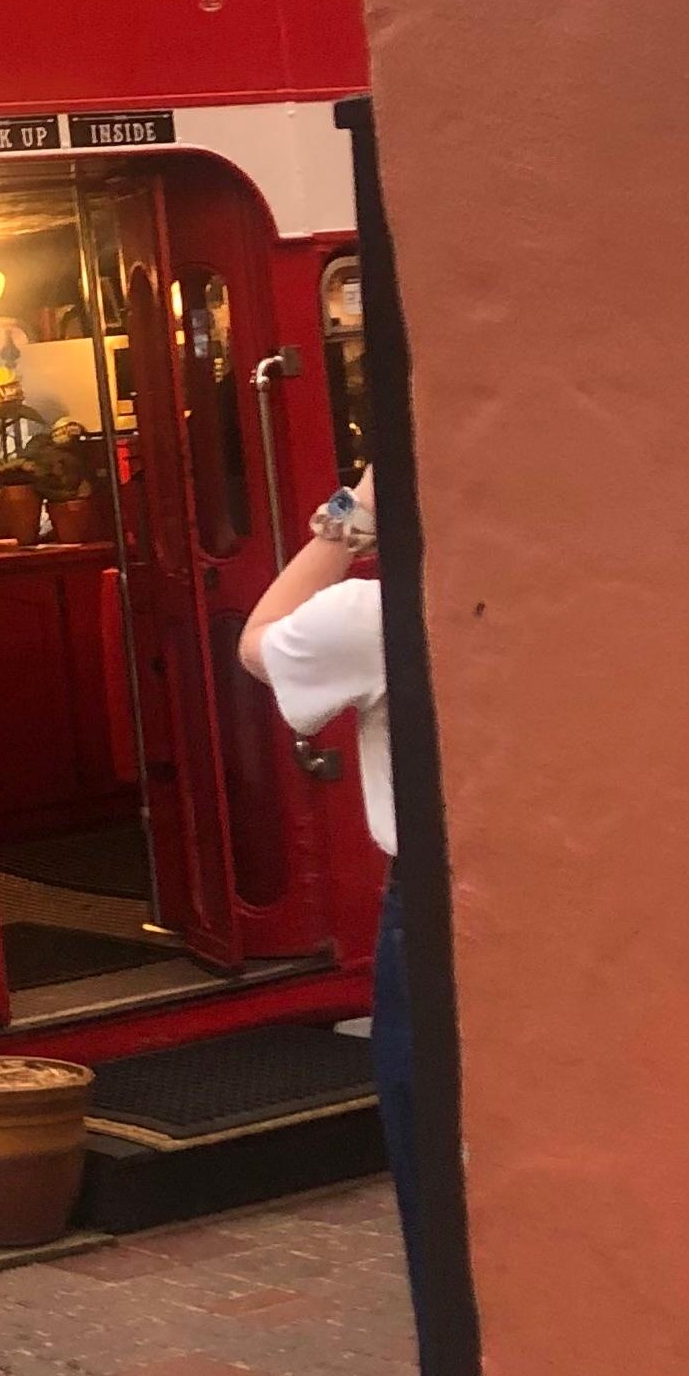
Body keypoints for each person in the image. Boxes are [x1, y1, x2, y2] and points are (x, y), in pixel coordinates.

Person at [238, 473, 425, 1327]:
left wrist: (351, 515)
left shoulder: (371, 618)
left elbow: (257, 640)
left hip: (429, 917)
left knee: (441, 1190)